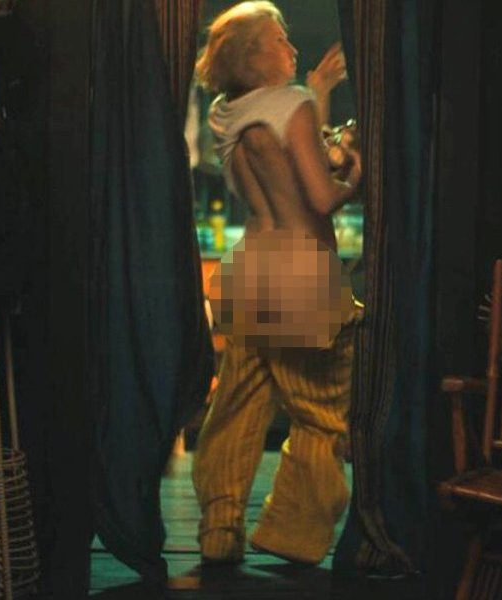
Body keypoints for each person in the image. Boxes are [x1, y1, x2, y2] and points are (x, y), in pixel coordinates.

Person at [190, 1, 363, 566]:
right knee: (321, 413)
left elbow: (288, 158)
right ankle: (290, 531)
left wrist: (317, 91)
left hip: (253, 271)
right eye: (279, 39)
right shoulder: (291, 105)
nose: (291, 47)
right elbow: (320, 197)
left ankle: (220, 527)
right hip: (302, 277)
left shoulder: (226, 112)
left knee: (238, 404)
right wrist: (359, 176)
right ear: (253, 57)